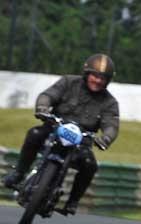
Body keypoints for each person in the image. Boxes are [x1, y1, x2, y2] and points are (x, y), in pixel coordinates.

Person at [3, 54, 119, 215]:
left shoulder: (109, 102)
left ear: (108, 81)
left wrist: (106, 138)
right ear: (87, 73)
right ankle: (19, 173)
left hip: (81, 142)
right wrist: (43, 108)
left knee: (90, 164)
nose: (98, 80)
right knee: (34, 133)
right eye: (95, 75)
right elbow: (48, 95)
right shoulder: (68, 82)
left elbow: (111, 124)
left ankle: (73, 201)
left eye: (103, 78)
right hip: (54, 129)